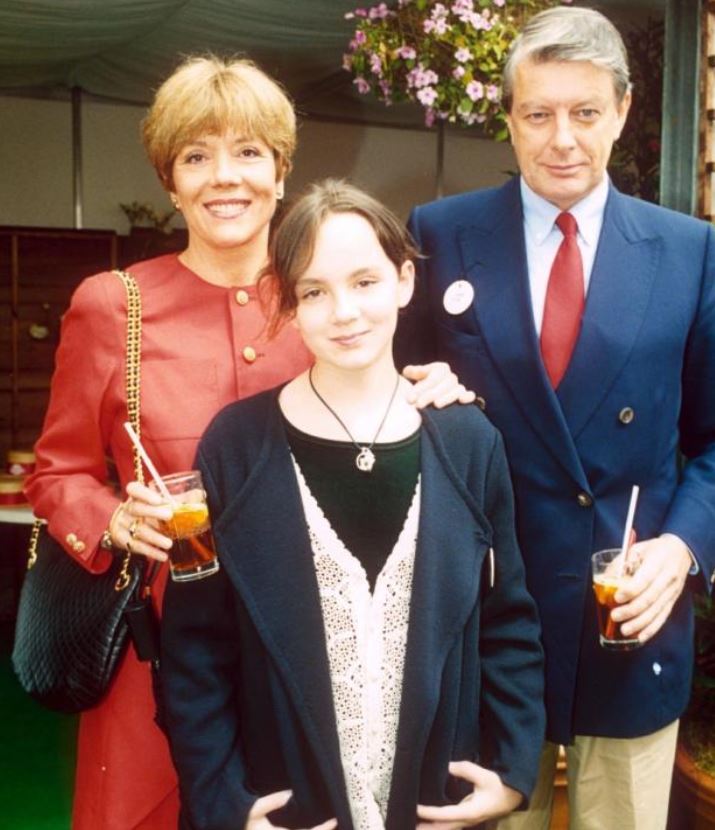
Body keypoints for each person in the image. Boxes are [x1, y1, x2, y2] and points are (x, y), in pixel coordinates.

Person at [24, 57, 473, 830]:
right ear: (169, 181)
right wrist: (107, 519)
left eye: (247, 153)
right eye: (196, 157)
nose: (222, 178)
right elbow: (56, 470)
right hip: (157, 656)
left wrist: (434, 391)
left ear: (281, 170)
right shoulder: (113, 307)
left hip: (305, 659)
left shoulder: (327, 301)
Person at [395, 7, 715, 830]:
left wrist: (680, 552)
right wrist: (410, 389)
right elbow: (390, 398)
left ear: (622, 111)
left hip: (630, 613)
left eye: (584, 112)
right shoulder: (439, 234)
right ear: (507, 119)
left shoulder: (689, 252)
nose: (561, 138)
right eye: (537, 114)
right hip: (486, 611)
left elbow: (712, 441)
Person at [160, 179, 545, 830]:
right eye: (314, 291)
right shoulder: (235, 446)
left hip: (432, 806)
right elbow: (194, 649)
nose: (343, 312)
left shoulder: (468, 442)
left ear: (402, 281)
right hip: (289, 811)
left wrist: (511, 770)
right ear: (285, 302)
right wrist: (226, 806)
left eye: (364, 282)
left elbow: (508, 624)